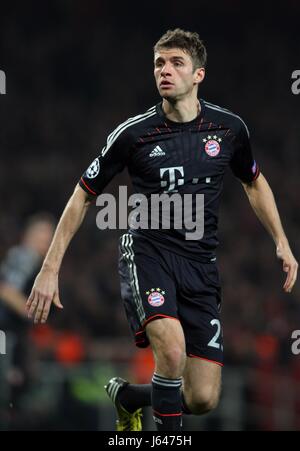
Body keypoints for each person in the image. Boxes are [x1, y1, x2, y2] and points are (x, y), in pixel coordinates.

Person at [26, 29, 298, 432]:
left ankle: (129, 396)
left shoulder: (229, 129)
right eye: (158, 63)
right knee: (171, 353)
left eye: (176, 63)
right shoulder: (133, 133)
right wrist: (50, 268)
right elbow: (83, 195)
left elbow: (254, 181)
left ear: (198, 75)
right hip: (148, 253)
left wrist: (282, 241)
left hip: (201, 267)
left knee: (203, 397)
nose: (164, 71)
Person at [0, 213, 55, 421]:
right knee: (9, 390)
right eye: (42, 236)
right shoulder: (26, 257)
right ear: (28, 236)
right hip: (5, 333)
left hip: (13, 334)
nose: (46, 242)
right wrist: (33, 313)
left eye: (49, 237)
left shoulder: (30, 259)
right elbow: (5, 290)